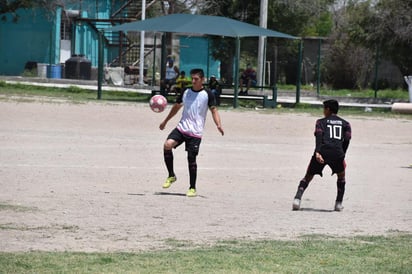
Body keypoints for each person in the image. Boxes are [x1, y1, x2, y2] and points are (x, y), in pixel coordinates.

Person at [159, 68, 224, 197]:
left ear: (202, 80)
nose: (193, 81)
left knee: (191, 158)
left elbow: (214, 110)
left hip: (195, 132)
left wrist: (218, 124)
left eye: (196, 79)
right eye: (192, 79)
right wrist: (165, 121)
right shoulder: (186, 91)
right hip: (182, 128)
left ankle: (192, 187)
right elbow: (176, 108)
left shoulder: (207, 94)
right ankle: (171, 175)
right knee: (167, 145)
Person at [292, 99, 352, 211]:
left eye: (324, 108)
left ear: (328, 109)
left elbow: (319, 137)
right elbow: (347, 139)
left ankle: (297, 199)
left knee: (308, 176)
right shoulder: (346, 124)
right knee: (341, 177)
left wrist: (317, 152)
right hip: (337, 153)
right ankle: (338, 203)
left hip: (323, 151)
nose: (323, 111)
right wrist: (342, 153)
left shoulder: (320, 122)